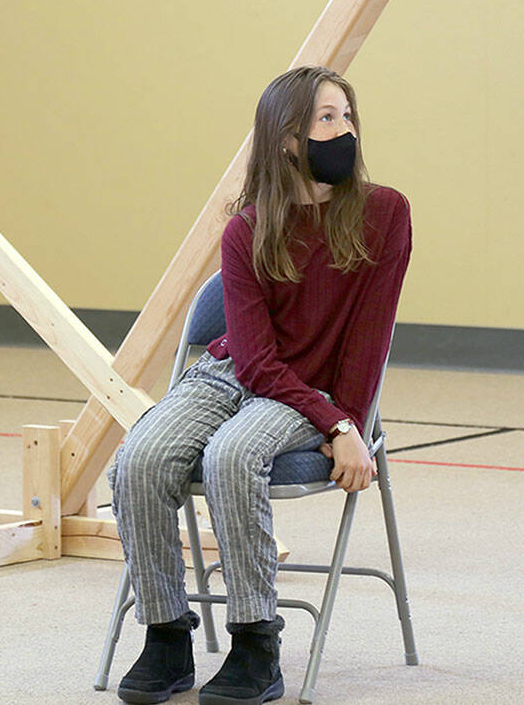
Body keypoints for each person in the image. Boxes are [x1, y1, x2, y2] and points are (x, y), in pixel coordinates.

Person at [107, 65, 412, 705]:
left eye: (348, 116)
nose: (345, 130)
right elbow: (252, 362)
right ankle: (166, 635)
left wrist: (346, 422)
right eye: (327, 118)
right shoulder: (247, 228)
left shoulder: (385, 212)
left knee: (232, 454)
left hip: (311, 387)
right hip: (237, 371)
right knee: (140, 458)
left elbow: (369, 340)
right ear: (288, 140)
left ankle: (255, 642)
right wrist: (334, 425)